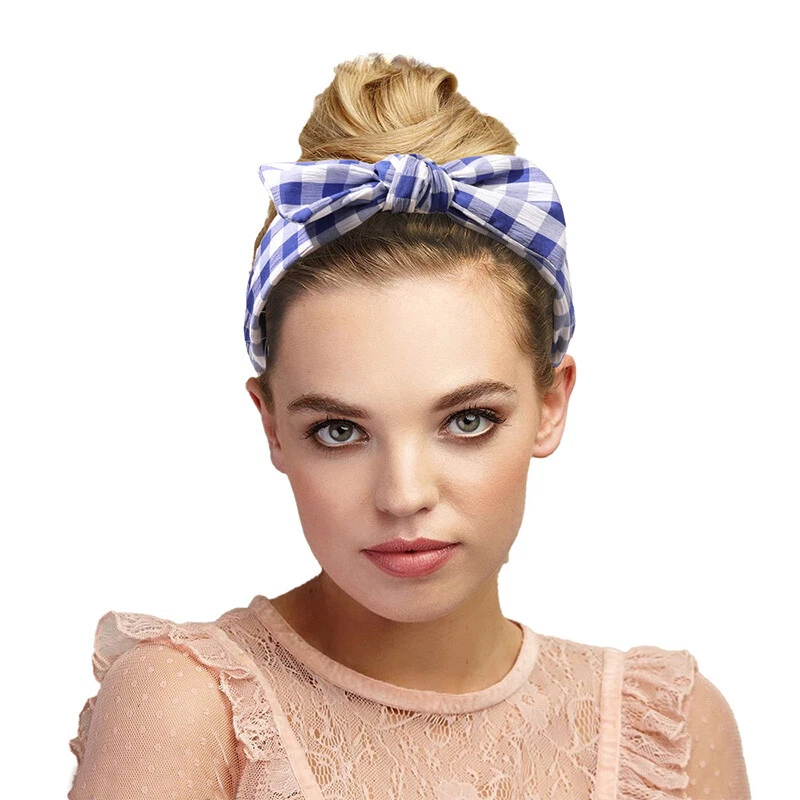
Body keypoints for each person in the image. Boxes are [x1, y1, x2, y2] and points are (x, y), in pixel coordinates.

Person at [67, 53, 751, 800]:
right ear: (272, 427)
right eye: (339, 431)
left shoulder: (669, 729)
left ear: (552, 403)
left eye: (467, 420)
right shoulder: (190, 708)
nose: (402, 495)